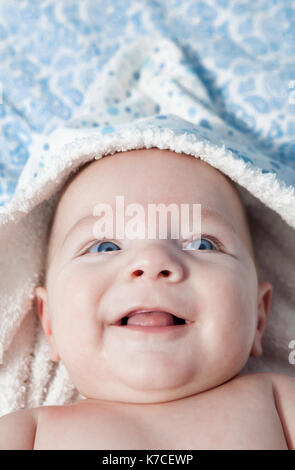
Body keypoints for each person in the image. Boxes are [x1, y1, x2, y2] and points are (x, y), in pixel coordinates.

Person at [1, 145, 294, 450]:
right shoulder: (28, 432)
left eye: (202, 243)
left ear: (259, 315)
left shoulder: (277, 402)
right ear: (50, 322)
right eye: (105, 246)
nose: (152, 260)